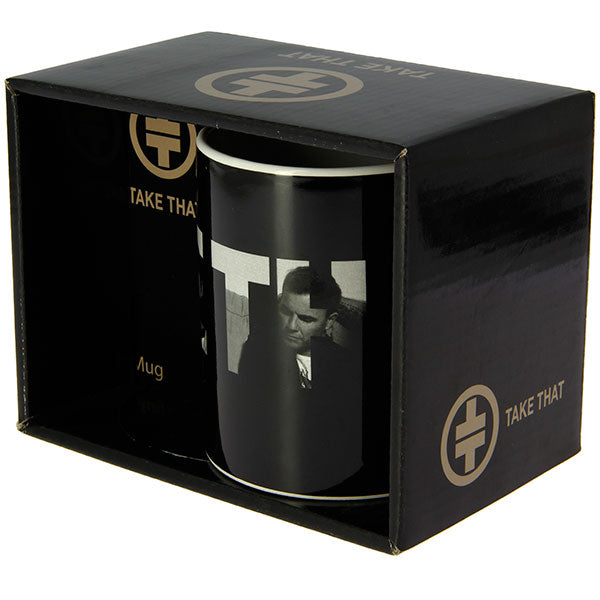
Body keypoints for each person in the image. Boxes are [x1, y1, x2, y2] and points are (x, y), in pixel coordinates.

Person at [238, 266, 354, 390]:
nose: (291, 326)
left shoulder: (348, 364)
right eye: (285, 311)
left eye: (305, 319)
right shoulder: (258, 350)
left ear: (329, 321)